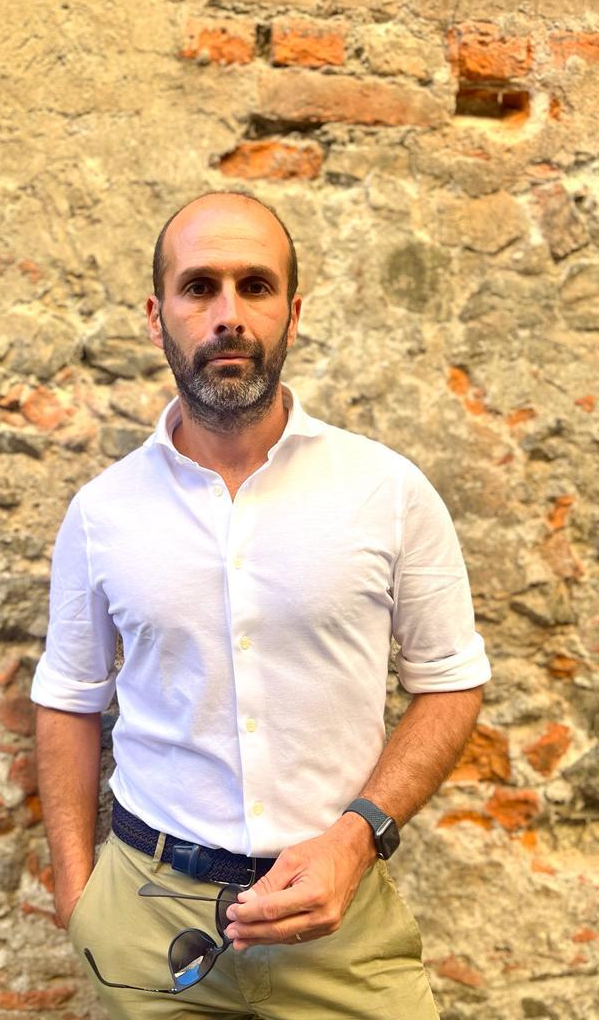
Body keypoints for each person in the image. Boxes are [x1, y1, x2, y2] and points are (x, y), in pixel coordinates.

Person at [32, 191, 491, 1019]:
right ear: (156, 316)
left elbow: (451, 682)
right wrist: (77, 892)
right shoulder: (103, 512)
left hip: (337, 916)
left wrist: (356, 839)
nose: (228, 315)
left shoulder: (387, 492)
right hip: (146, 917)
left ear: (293, 313)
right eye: (198, 287)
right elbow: (69, 697)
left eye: (256, 286)